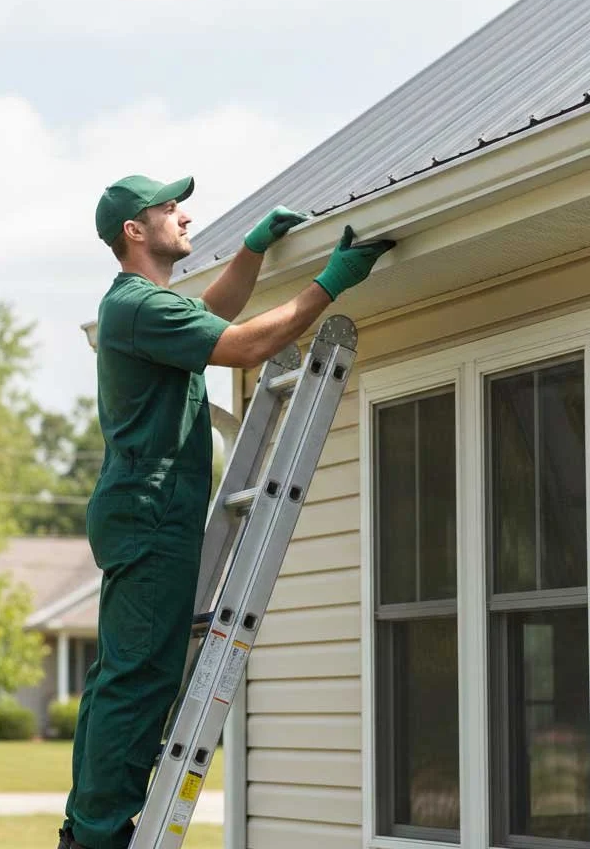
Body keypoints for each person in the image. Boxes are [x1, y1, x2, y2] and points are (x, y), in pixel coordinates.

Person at [59, 174, 394, 849]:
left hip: (145, 510)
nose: (183, 215)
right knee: (140, 674)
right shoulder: (136, 306)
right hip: (150, 511)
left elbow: (213, 314)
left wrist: (251, 253)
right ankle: (100, 834)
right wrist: (332, 282)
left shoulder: (143, 306)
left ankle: (88, 825)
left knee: (123, 671)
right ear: (135, 231)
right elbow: (241, 345)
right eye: (167, 208)